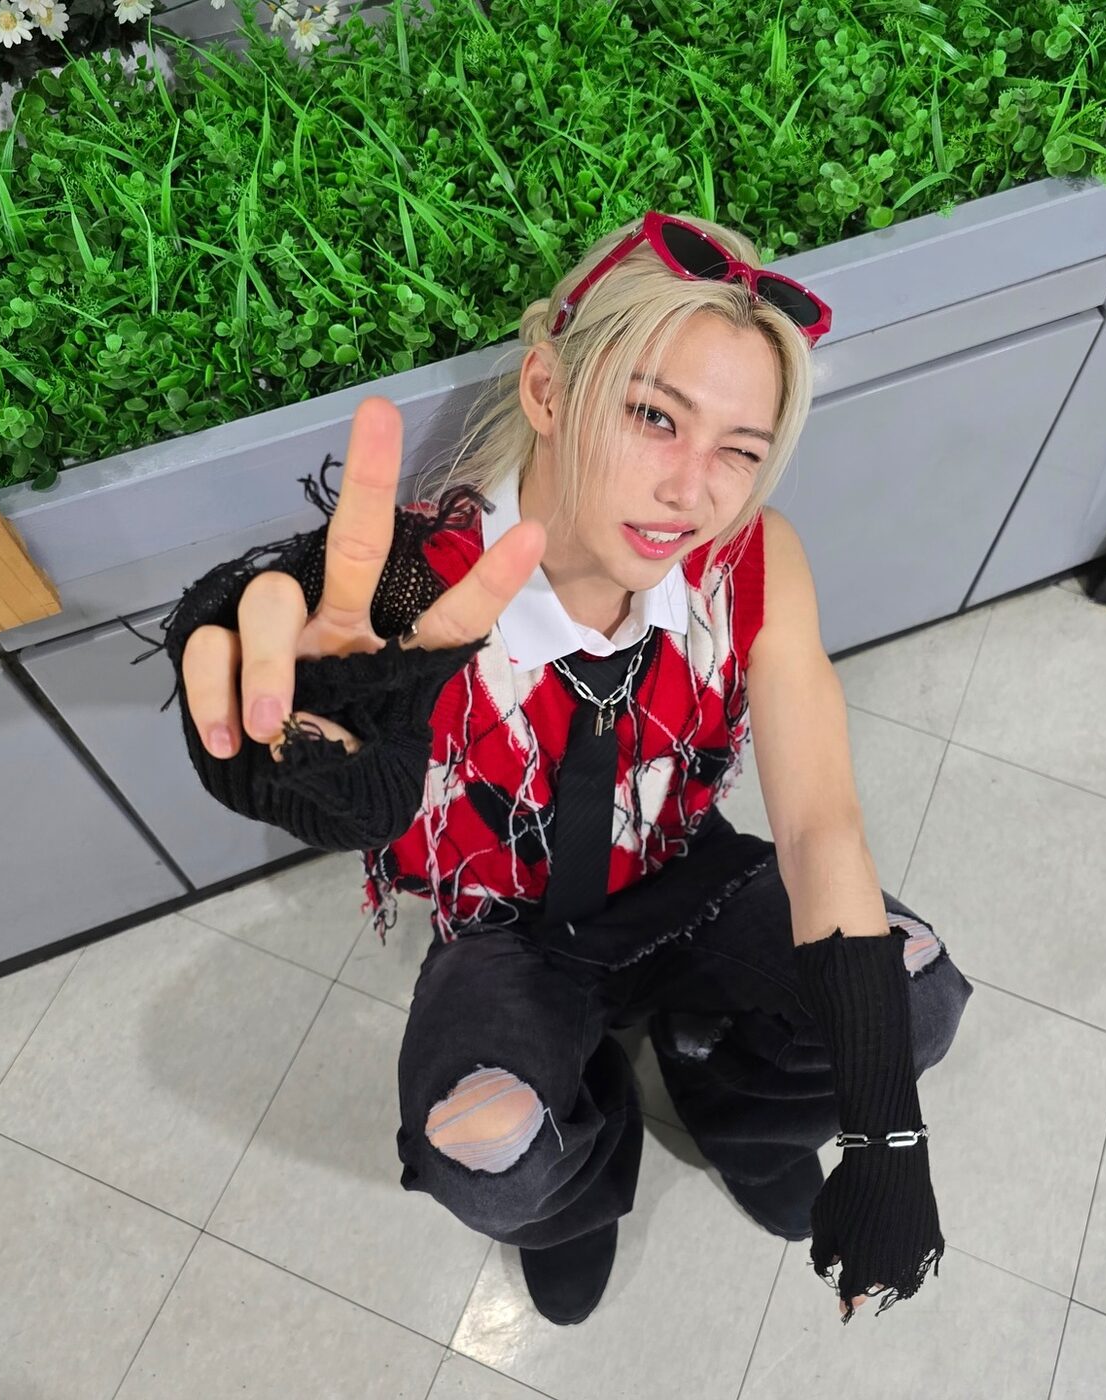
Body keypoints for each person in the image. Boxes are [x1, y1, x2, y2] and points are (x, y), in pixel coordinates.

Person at [137, 211, 975, 1329]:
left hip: (687, 876)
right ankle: (581, 1189)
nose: (691, 490)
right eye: (653, 415)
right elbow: (328, 660)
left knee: (913, 998)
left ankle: (730, 1100)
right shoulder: (420, 587)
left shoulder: (750, 559)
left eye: (739, 448)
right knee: (487, 1154)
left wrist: (885, 1134)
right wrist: (289, 731)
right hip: (505, 929)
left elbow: (821, 824)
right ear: (545, 387)